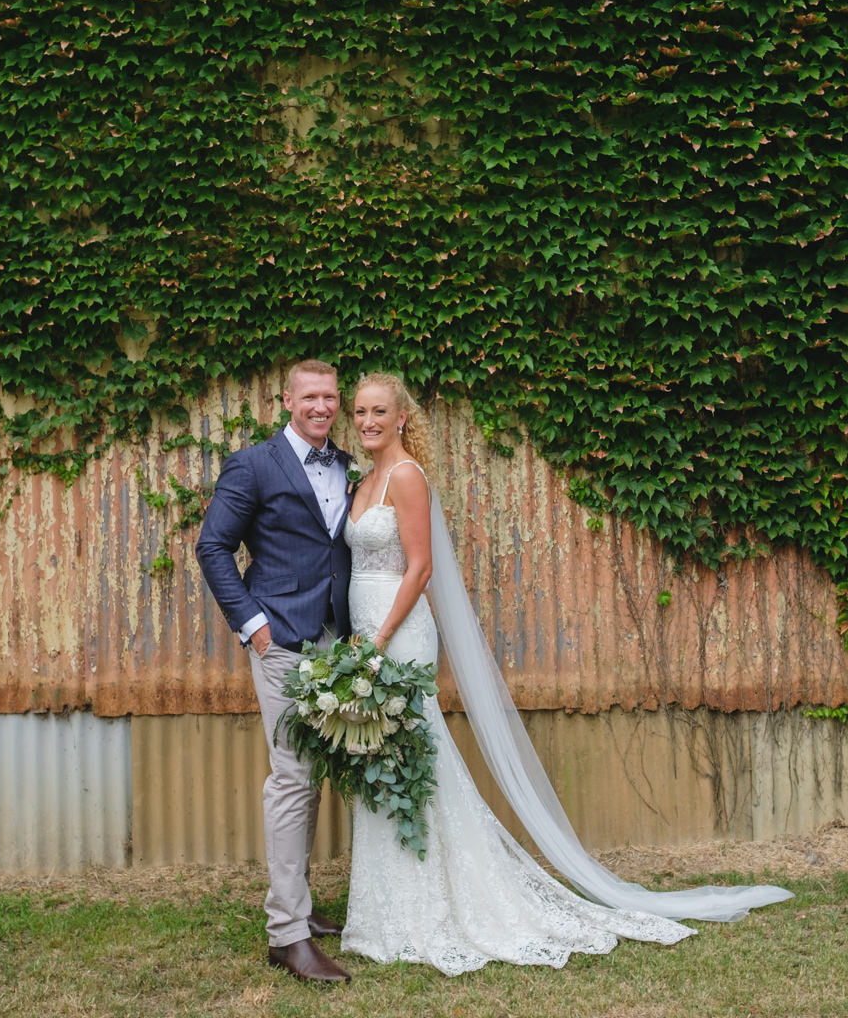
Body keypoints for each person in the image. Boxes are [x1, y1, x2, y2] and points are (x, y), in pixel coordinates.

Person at [338, 373, 792, 975]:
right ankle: (388, 910)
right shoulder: (364, 479)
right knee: (380, 761)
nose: (367, 422)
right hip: (365, 636)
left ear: (401, 418)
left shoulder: (408, 478)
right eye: (360, 412)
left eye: (379, 412)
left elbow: (419, 569)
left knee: (413, 758)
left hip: (396, 634)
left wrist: (380, 638)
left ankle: (439, 904)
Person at [195, 359, 356, 985]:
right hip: (282, 641)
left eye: (330, 396)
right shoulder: (254, 464)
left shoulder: (346, 463)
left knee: (311, 774)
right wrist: (252, 627)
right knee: (292, 778)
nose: (321, 406)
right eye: (309, 395)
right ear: (285, 398)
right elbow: (213, 546)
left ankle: (303, 910)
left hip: (334, 643)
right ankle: (286, 933)